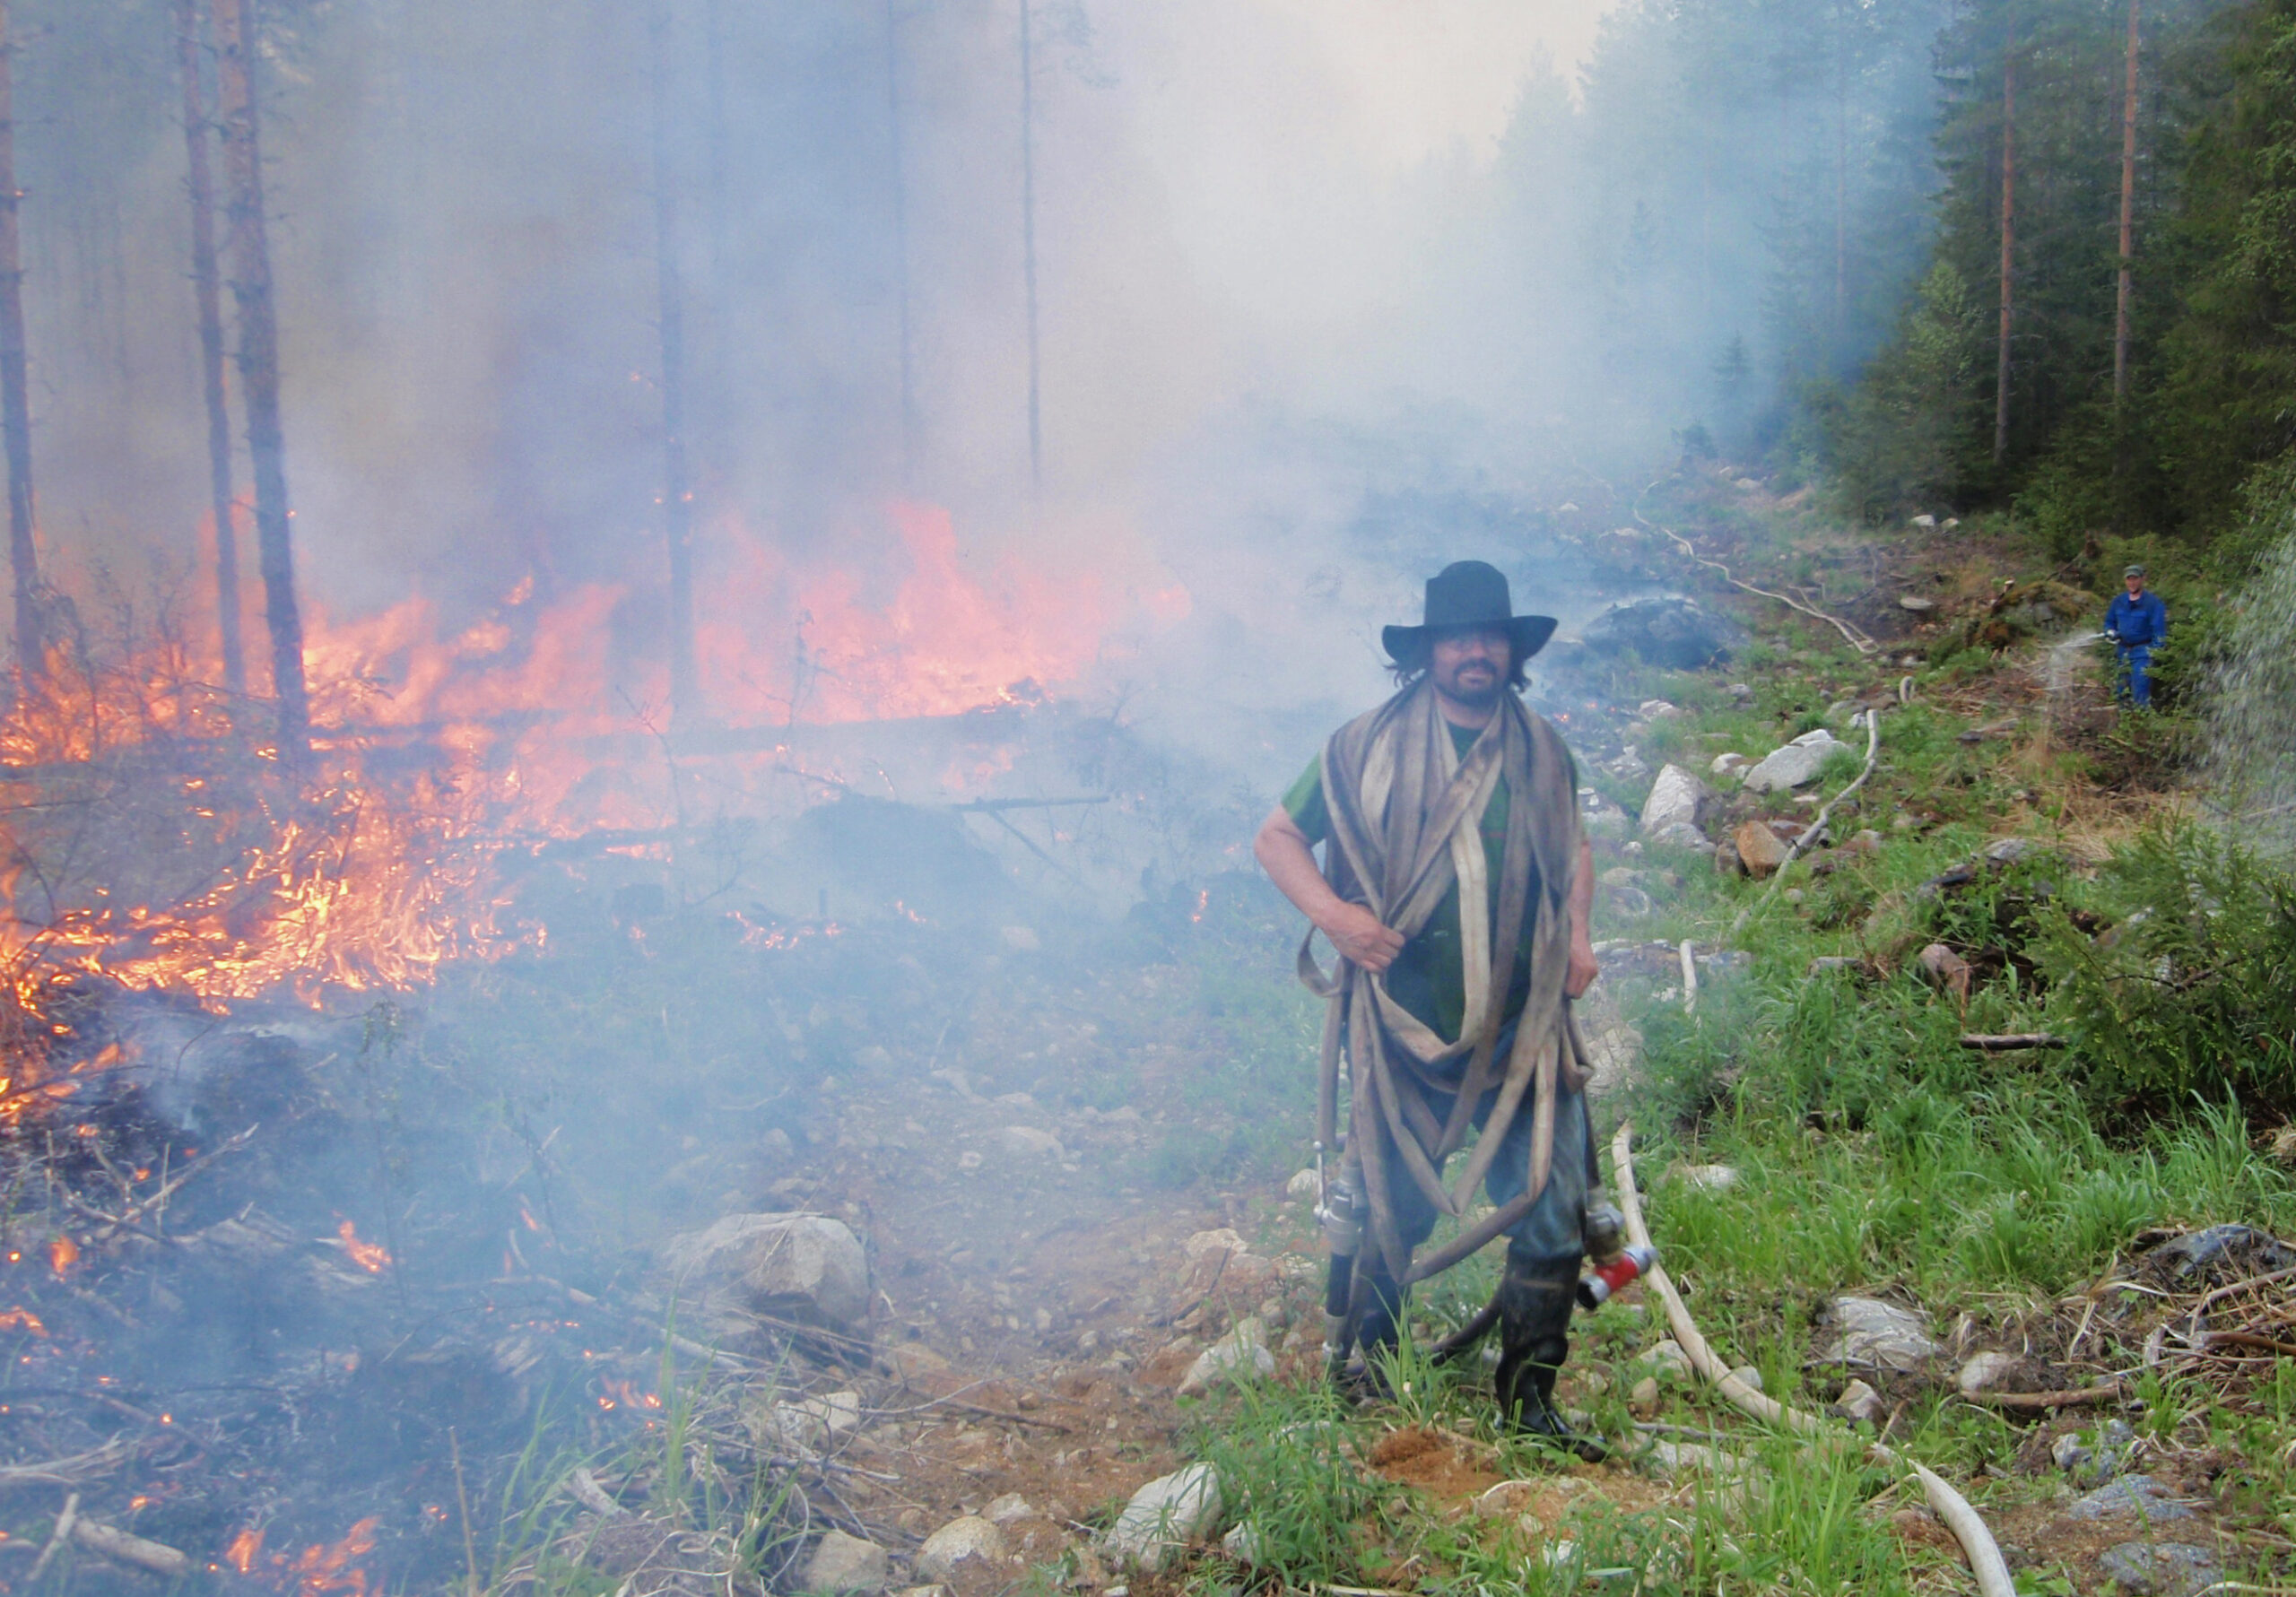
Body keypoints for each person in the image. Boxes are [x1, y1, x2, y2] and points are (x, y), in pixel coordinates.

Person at [1253, 560, 1602, 1452]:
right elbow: (1277, 836)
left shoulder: (1543, 752)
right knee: (1389, 1206)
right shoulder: (1359, 746)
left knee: (1552, 1211)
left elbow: (1574, 851)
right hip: (1404, 1030)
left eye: (1489, 636)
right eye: (1456, 637)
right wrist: (1337, 918)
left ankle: (1528, 1400)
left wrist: (1580, 933)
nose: (1474, 651)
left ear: (1510, 651)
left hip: (1523, 1033)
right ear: (1429, 651)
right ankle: (1365, 1375)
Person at [2104, 564, 2168, 709]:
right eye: (2129, 579)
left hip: (2143, 652)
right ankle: (2123, 724)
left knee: (2140, 690)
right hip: (2122, 651)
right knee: (2121, 690)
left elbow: (2159, 632)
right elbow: (2109, 622)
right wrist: (2110, 631)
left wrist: (2154, 653)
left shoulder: (2153, 603)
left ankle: (2141, 724)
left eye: (2135, 579)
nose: (2132, 583)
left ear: (2142, 579)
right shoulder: (2118, 602)